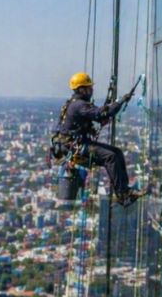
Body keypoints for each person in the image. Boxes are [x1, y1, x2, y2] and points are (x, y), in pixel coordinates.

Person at [56, 72, 146, 207]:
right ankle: (123, 194)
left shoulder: (74, 103)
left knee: (117, 153)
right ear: (81, 89)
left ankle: (125, 191)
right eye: (88, 88)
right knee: (110, 157)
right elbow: (101, 113)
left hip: (74, 144)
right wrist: (120, 102)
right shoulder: (79, 105)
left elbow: (93, 117)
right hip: (73, 146)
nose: (91, 90)